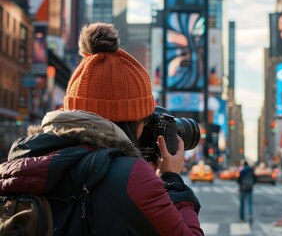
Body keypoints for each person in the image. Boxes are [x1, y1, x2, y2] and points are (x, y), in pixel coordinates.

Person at [0, 23, 203, 236]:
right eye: (144, 121)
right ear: (130, 120)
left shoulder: (22, 158)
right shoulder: (131, 177)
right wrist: (171, 179)